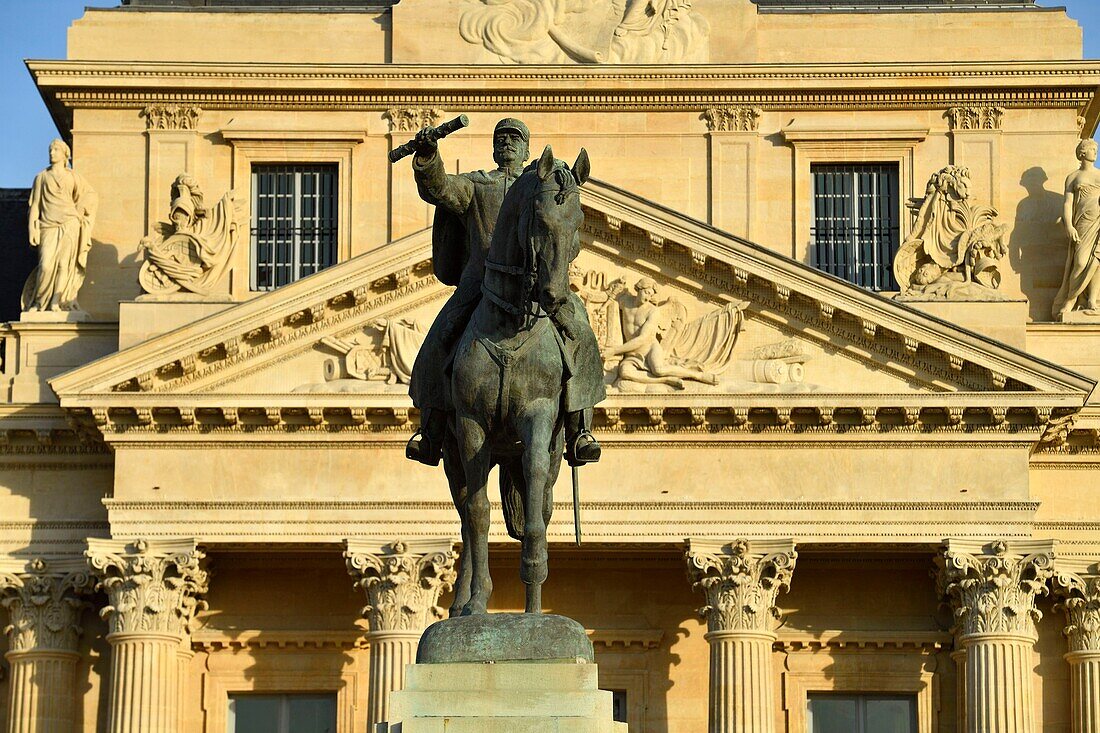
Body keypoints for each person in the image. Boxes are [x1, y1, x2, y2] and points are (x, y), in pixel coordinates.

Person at [404, 118, 602, 467]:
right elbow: (439, 189)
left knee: (580, 329)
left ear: (528, 149)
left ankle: (579, 427)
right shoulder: (478, 185)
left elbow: (565, 231)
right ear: (494, 147)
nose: (508, 143)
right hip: (479, 283)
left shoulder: (542, 185)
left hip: (537, 284)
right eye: (502, 138)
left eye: (515, 138)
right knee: (440, 336)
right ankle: (431, 429)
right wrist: (428, 157)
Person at [26, 139, 97, 312]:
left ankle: (56, 301)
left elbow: (90, 194)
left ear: (65, 154)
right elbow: (35, 205)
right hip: (48, 224)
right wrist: (32, 228)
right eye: (50, 149)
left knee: (64, 265)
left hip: (70, 223)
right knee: (46, 265)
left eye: (56, 149)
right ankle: (39, 302)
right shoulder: (42, 177)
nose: (52, 153)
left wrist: (80, 209)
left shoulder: (73, 176)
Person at [1052, 139, 1100, 321]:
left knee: (1096, 261)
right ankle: (1070, 299)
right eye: (1092, 149)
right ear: (1082, 153)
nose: (1095, 152)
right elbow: (1067, 203)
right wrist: (1069, 225)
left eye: (1096, 150)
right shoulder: (1073, 177)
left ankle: (1092, 301)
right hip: (1082, 224)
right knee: (1079, 262)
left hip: (1098, 222)